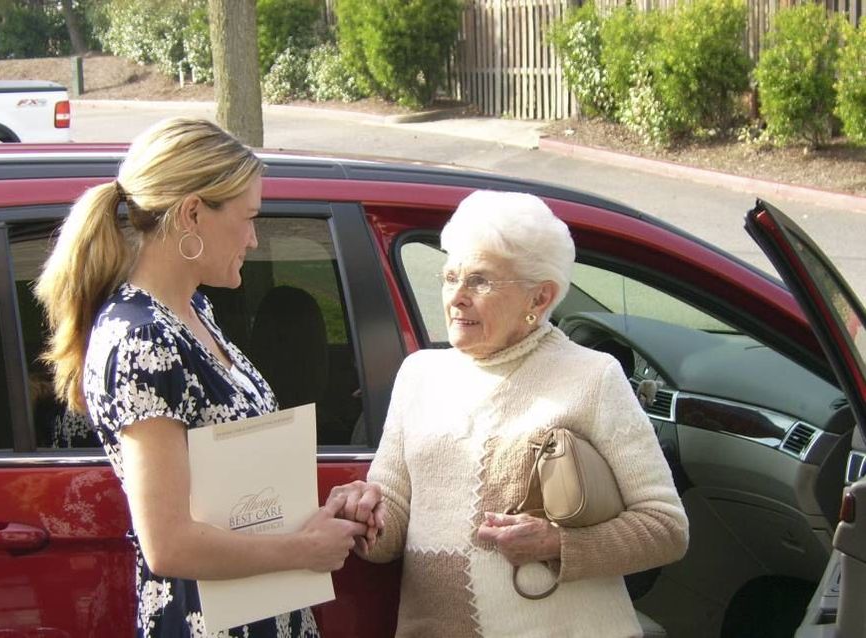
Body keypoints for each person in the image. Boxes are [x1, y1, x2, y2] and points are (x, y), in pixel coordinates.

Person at [34, 117, 367, 638]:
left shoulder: (193, 312)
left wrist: (322, 513)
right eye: (249, 217)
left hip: (257, 607)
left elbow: (229, 491)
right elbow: (168, 543)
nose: (255, 240)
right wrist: (303, 550)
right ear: (193, 213)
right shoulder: (143, 340)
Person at [334, 190, 689, 636]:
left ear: (539, 299)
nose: (457, 297)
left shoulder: (593, 377)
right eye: (450, 277)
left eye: (480, 281)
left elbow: (666, 527)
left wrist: (557, 544)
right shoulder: (419, 374)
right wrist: (360, 512)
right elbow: (392, 523)